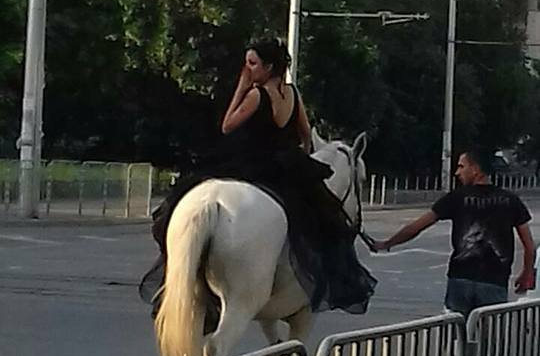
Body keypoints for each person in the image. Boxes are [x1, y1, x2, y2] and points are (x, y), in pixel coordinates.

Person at [140, 36, 376, 314]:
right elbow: (305, 134)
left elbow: (227, 125)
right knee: (318, 222)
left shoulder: (256, 95)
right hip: (285, 165)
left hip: (251, 162)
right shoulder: (293, 94)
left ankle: (178, 278)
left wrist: (241, 89)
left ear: (269, 67)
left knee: (182, 202)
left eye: (252, 64)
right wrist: (297, 157)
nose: (247, 69)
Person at [372, 149, 536, 318]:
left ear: (475, 169)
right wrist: (527, 272)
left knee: (456, 329)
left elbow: (416, 227)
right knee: (490, 332)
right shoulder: (510, 200)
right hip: (494, 282)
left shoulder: (456, 198)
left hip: (460, 280)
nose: (457, 172)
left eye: (461, 166)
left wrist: (387, 243)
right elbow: (529, 245)